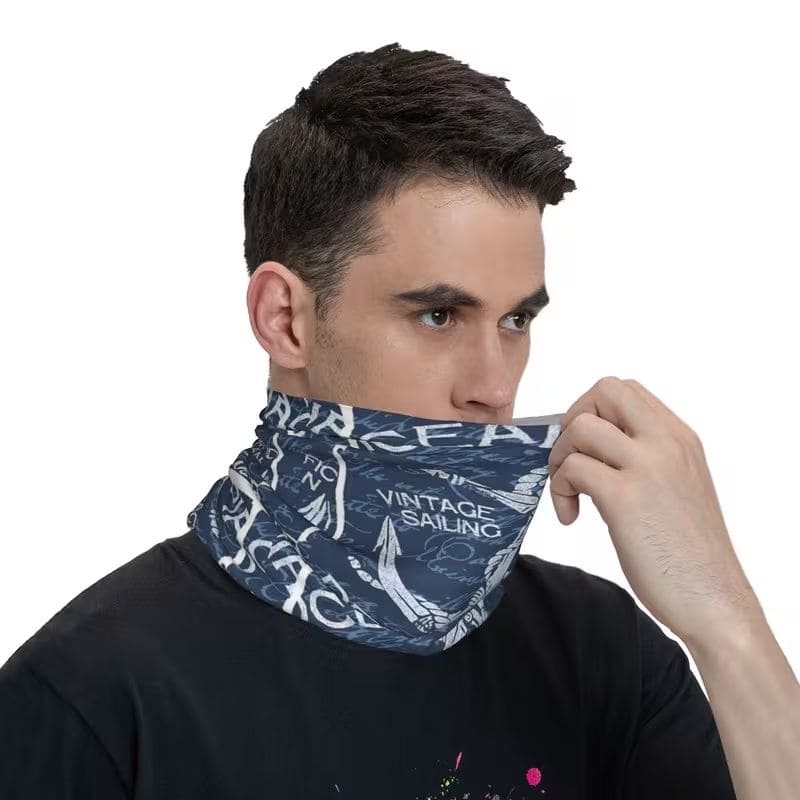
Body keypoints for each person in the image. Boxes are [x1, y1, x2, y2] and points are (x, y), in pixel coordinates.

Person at [0, 42, 737, 799]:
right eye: (439, 315)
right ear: (285, 319)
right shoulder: (93, 696)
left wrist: (723, 619)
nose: (494, 388)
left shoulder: (602, 654)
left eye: (516, 320)